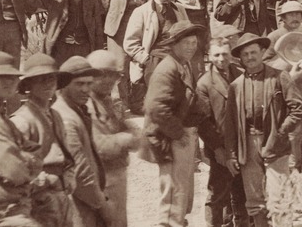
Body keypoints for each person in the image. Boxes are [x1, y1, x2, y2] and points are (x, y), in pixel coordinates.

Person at [224, 33, 302, 227]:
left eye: (253, 52)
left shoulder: (279, 77)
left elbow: (298, 108)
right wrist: (231, 154)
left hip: (275, 142)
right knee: (255, 201)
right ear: (240, 58)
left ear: (262, 52)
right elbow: (230, 124)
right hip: (248, 144)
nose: (250, 57)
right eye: (245, 54)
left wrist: (281, 132)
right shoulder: (236, 86)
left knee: (280, 197)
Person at [142, 21, 207, 227]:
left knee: (181, 196)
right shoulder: (167, 69)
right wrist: (179, 134)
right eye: (186, 42)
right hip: (168, 139)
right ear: (174, 44)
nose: (191, 46)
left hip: (178, 136)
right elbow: (155, 108)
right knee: (172, 199)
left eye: (194, 42)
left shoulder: (183, 64)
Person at [9, 54, 74, 227]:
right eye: (41, 79)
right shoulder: (22, 121)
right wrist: (44, 180)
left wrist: (68, 178)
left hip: (62, 195)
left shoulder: (56, 115)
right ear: (28, 85)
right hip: (39, 201)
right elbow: (15, 170)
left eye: (51, 78)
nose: (48, 83)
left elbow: (67, 154)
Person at [0, 52, 42, 226]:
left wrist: (26, 157)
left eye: (13, 77)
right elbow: (14, 170)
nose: (10, 82)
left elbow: (34, 150)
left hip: (7, 208)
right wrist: (28, 160)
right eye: (1, 76)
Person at [123, 0, 190, 113]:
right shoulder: (142, 11)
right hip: (152, 60)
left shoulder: (180, 9)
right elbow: (130, 43)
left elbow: (187, 35)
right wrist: (146, 59)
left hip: (176, 58)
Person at [52, 56, 108, 227]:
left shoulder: (76, 111)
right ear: (64, 85)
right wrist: (102, 204)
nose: (86, 89)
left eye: (89, 84)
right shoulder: (66, 118)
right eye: (79, 84)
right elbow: (80, 172)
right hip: (78, 206)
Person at [85, 50, 138, 227]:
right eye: (103, 75)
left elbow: (129, 131)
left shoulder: (106, 101)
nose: (110, 80)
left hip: (116, 174)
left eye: (114, 75)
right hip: (101, 180)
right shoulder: (86, 106)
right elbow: (99, 145)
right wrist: (127, 138)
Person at [22, 0, 106, 64]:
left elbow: (98, 31)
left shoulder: (92, 0)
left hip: (85, 50)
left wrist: (98, 56)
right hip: (60, 50)